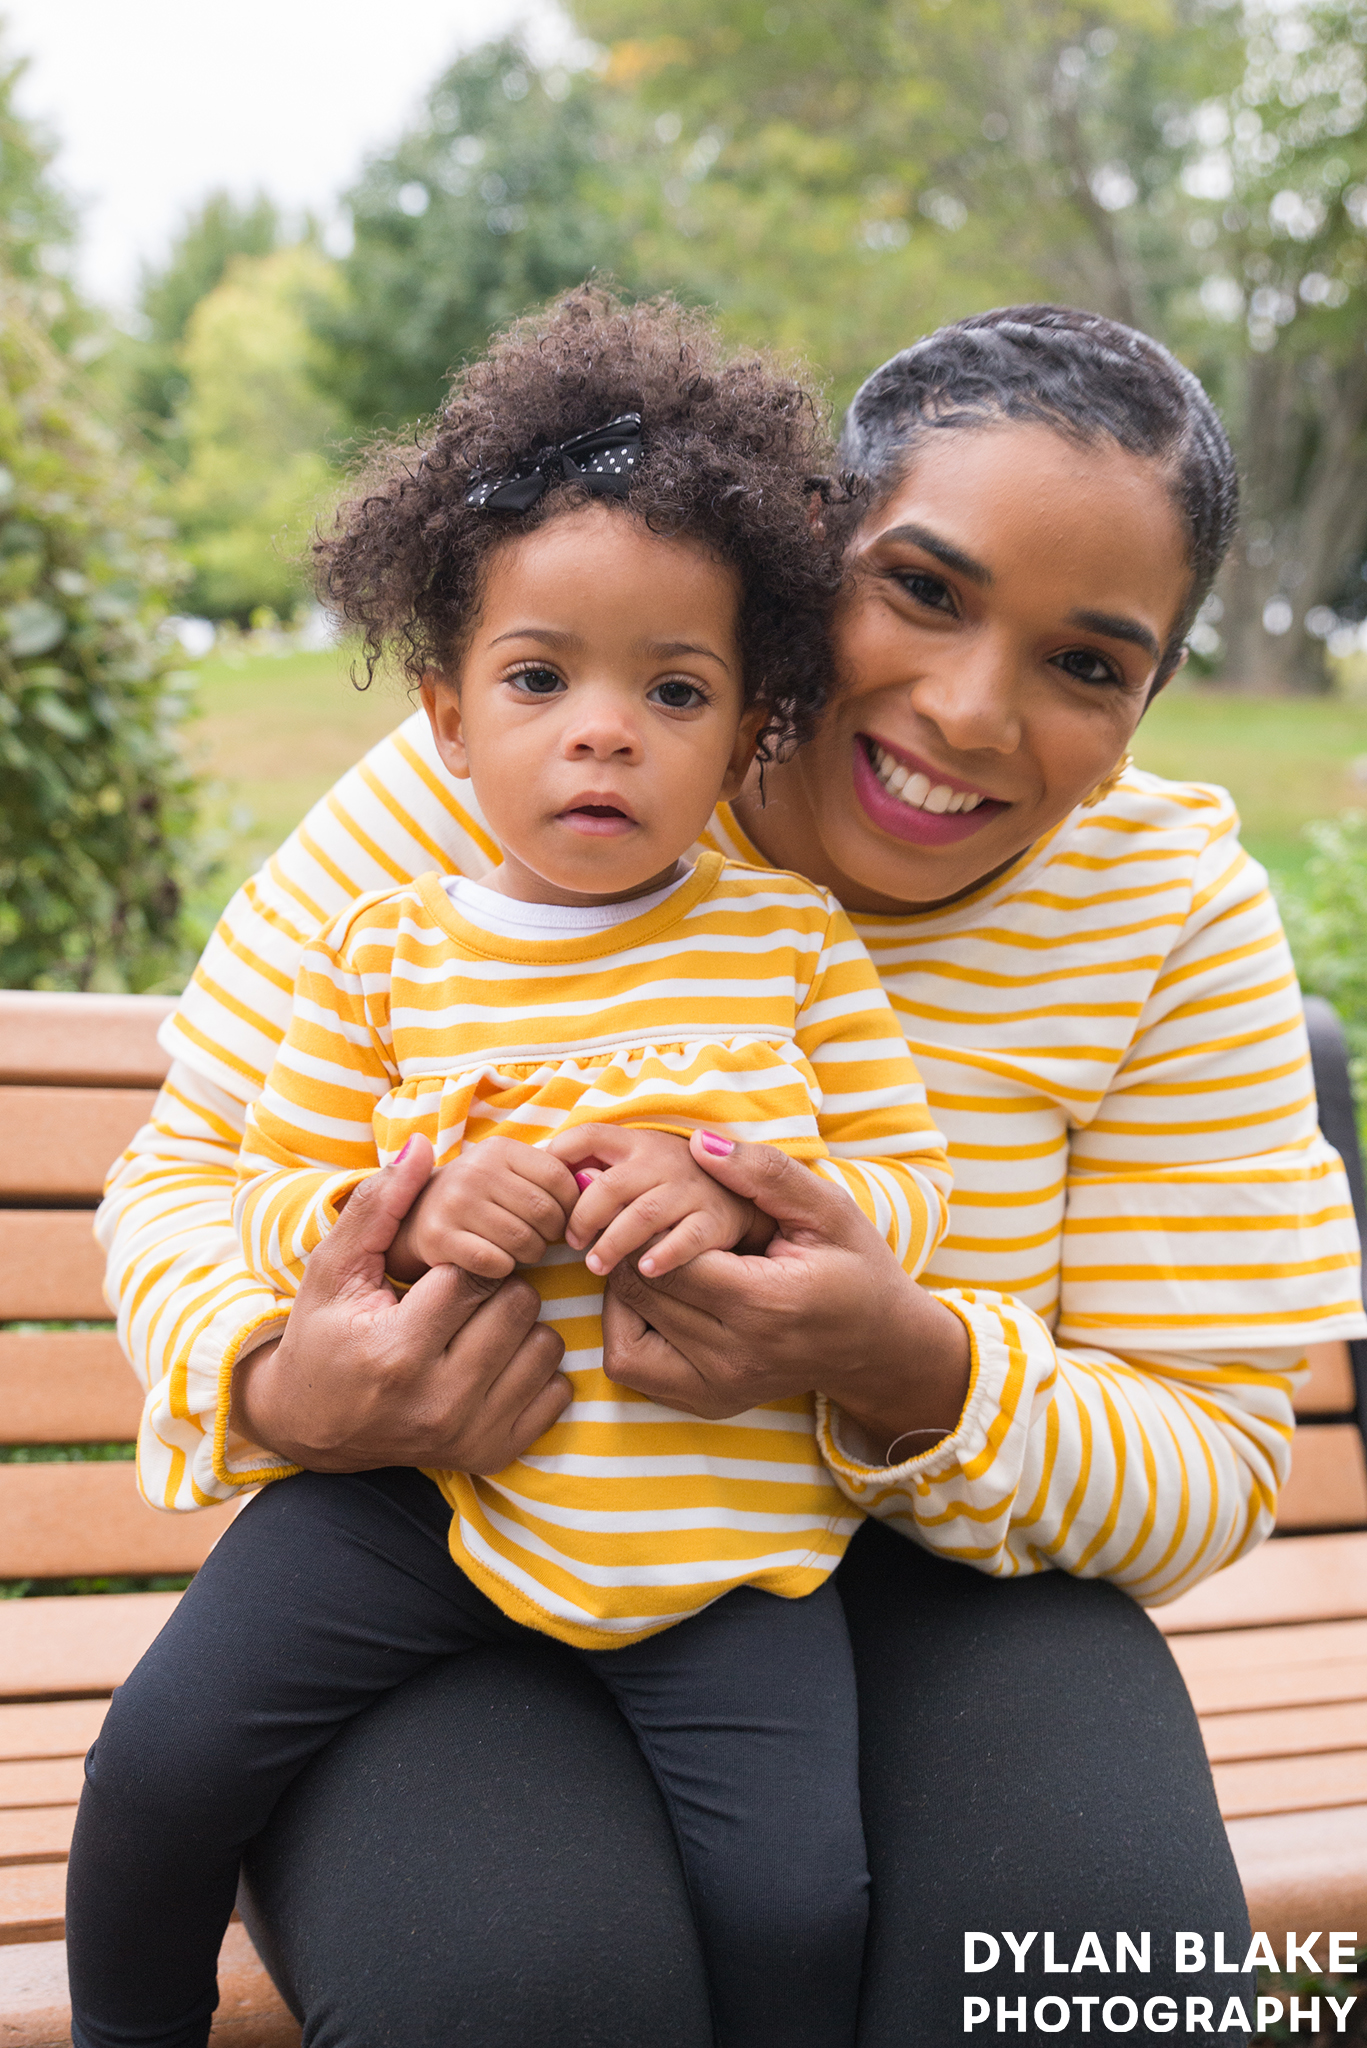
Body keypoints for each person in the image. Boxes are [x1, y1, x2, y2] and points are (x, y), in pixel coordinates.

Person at [89, 300, 1364, 2045]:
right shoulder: (518, 773)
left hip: (947, 1592)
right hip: (466, 1532)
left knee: (1100, 1990)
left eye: (1089, 664)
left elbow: (1211, 1459)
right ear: (805, 556)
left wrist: (896, 1357)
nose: (971, 711)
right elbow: (186, 1179)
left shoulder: (1168, 916)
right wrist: (285, 1376)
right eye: (921, 587)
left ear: (1146, 705)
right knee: (536, 1997)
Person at [66, 292, 954, 2048]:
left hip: (718, 1534)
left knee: (801, 1900)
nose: (603, 730)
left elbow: (903, 1196)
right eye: (542, 679)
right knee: (161, 1758)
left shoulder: (783, 946)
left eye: (673, 689)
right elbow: (267, 1187)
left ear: (751, 723)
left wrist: (754, 1194)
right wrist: (389, 1215)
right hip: (420, 1502)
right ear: (450, 717)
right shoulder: (382, 949)